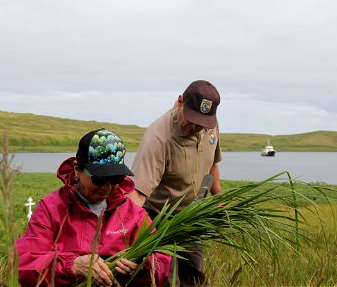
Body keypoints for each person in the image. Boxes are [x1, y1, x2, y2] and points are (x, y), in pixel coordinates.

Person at [16, 129, 171, 287]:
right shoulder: (51, 208)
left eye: (116, 179)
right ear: (77, 169)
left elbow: (161, 259)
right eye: (99, 179)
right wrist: (72, 265)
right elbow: (24, 263)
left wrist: (143, 267)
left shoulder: (133, 214)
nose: (107, 187)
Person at [128, 80, 222, 286]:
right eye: (191, 119)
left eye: (202, 123)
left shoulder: (209, 126)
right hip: (158, 219)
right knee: (166, 279)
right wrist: (124, 237)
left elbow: (212, 165)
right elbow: (137, 195)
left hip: (192, 215)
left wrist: (219, 200)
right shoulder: (158, 138)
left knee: (194, 275)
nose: (196, 127)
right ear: (180, 101)